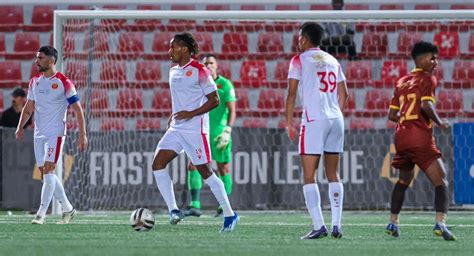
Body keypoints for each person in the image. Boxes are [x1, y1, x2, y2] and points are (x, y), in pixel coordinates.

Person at [151, 32, 239, 232]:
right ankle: (173, 210)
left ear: (184, 48)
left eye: (173, 47)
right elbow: (179, 99)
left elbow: (215, 101)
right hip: (176, 128)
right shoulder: (173, 71)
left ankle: (230, 214)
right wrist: (173, 117)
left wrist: (190, 113)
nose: (169, 51)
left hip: (195, 130)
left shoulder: (200, 71)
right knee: (158, 164)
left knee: (206, 173)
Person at [386, 41, 456, 241]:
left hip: (401, 137)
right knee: (441, 180)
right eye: (432, 58)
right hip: (419, 137)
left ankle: (393, 221)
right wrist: (440, 122)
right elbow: (426, 105)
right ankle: (441, 223)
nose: (435, 62)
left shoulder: (400, 81)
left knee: (403, 180)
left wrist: (407, 121)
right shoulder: (428, 78)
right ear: (421, 59)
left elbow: (392, 114)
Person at [286, 22, 349, 240]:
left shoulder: (299, 60)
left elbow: (292, 93)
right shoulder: (333, 60)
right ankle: (337, 225)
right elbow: (345, 94)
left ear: (304, 38)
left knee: (309, 175)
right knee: (333, 173)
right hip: (336, 120)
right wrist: (334, 112)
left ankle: (318, 225)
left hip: (314, 120)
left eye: (299, 37)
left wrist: (288, 122)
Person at [15, 46, 88, 225]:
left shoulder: (64, 82)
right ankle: (68, 209)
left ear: (51, 61)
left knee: (48, 171)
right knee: (45, 174)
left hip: (55, 133)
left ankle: (41, 214)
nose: (37, 61)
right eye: (37, 57)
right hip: (38, 133)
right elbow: (29, 107)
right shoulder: (34, 82)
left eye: (40, 58)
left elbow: (78, 109)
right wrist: (20, 127)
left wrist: (82, 134)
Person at [183, 54, 237, 218]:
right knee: (193, 165)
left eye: (211, 63)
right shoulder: (198, 84)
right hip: (201, 132)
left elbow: (232, 110)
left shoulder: (225, 84)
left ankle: (223, 207)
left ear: (217, 66)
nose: (208, 65)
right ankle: (195, 205)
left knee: (223, 169)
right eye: (205, 63)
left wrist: (227, 130)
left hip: (219, 134)